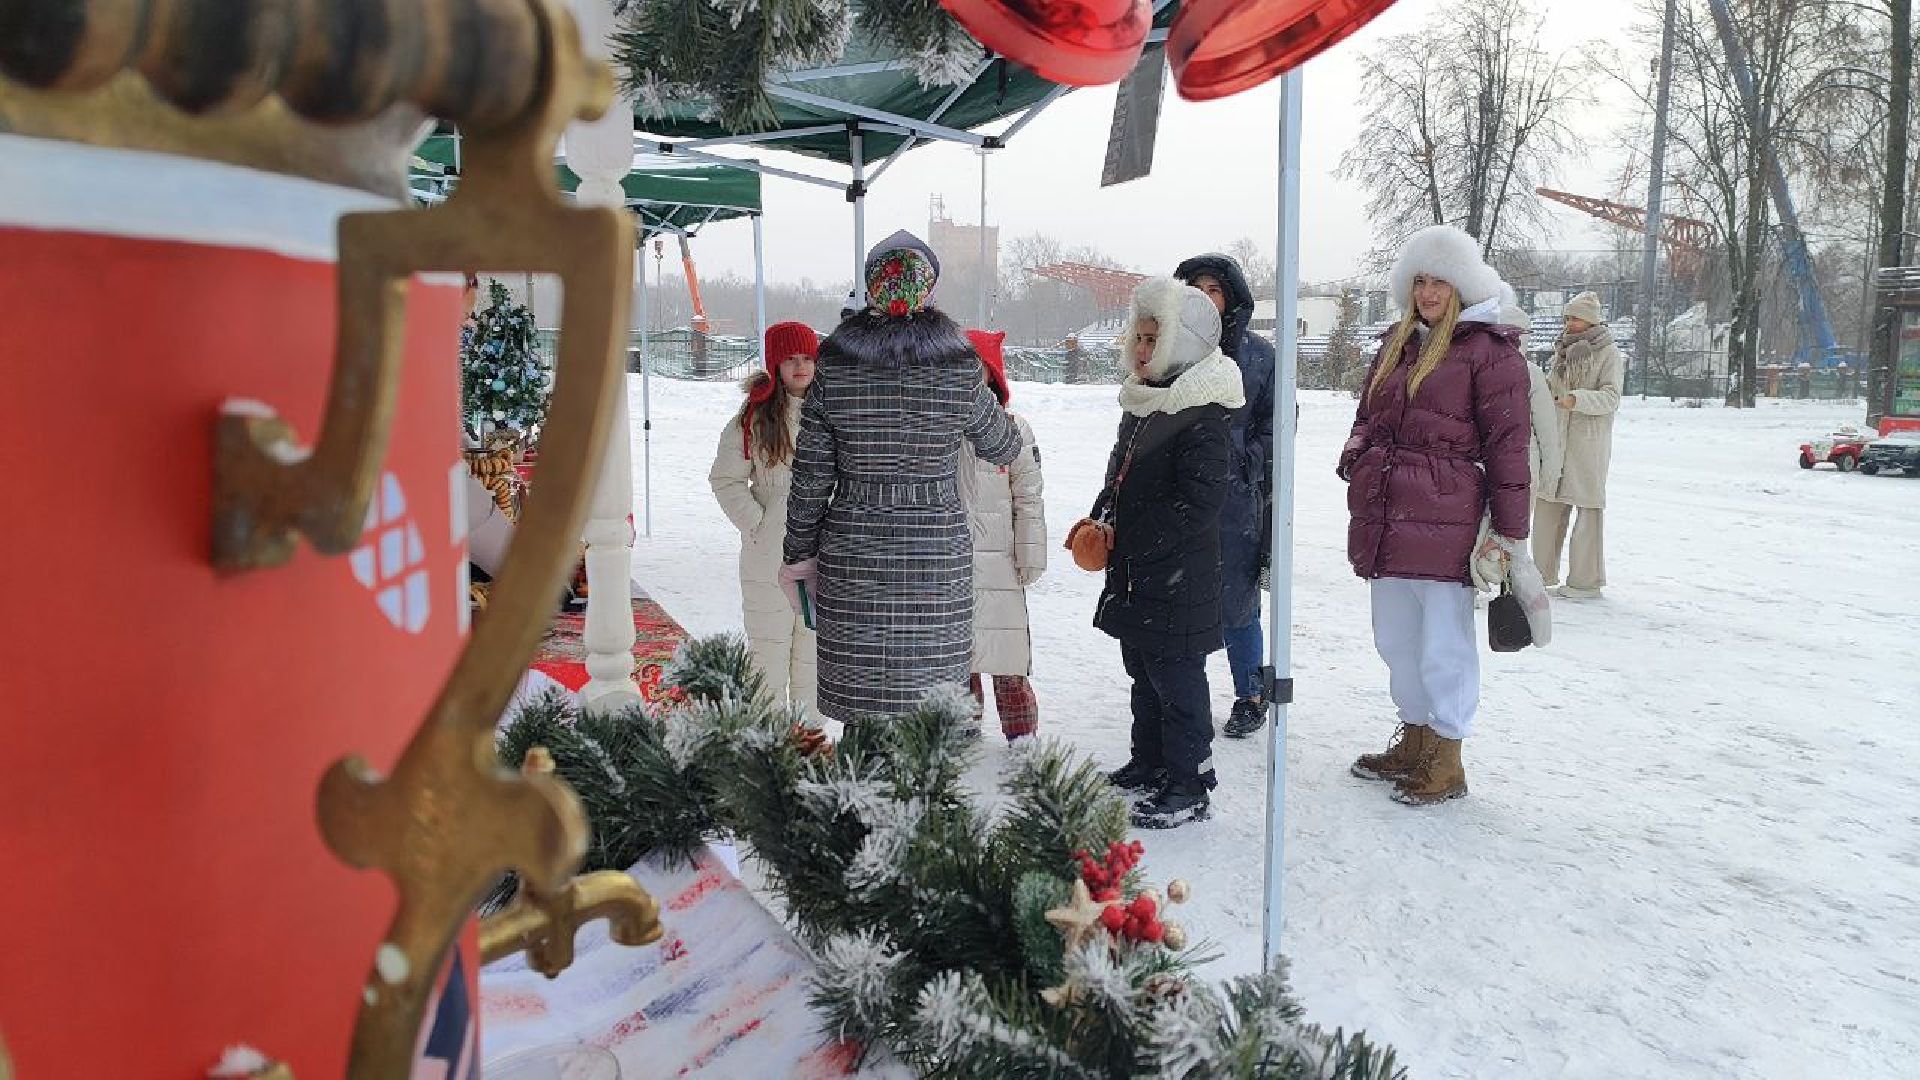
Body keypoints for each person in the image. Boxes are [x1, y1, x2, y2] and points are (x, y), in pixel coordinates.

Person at [780, 231, 1023, 726]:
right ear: (928, 291)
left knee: (864, 706)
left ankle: (859, 792)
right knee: (927, 714)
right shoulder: (958, 366)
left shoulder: (836, 366)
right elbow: (1003, 445)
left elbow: (810, 477)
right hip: (936, 552)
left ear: (871, 290)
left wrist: (797, 552)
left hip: (855, 548)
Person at [1338, 224, 1532, 806]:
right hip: (1386, 515)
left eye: (1439, 282)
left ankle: (1446, 756)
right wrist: (1357, 458)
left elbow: (1509, 447)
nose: (1427, 293)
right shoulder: (1398, 341)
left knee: (1443, 643)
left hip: (1448, 520)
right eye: (1419, 281)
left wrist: (1509, 530)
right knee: (1395, 638)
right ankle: (1415, 737)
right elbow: (1367, 415)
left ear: (1462, 284)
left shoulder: (1489, 352)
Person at [1072, 277, 1241, 829]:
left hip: (1177, 577)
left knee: (1178, 683)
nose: (1142, 350)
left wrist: (1133, 538)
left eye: (1154, 340)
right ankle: (1149, 763)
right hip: (1139, 575)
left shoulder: (1202, 412)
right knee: (1142, 671)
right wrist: (1101, 517)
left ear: (1181, 344)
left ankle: (1189, 782)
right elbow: (1118, 478)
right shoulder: (1143, 402)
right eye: (1138, 338)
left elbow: (1200, 501)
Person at [1172, 254, 1274, 739]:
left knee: (1238, 601)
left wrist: (1242, 465)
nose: (1206, 298)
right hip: (1178, 496)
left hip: (1236, 502)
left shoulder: (1258, 357)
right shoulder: (1172, 351)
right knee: (1177, 597)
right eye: (1196, 289)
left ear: (1230, 296)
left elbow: (1274, 428)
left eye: (1214, 289)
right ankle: (1183, 698)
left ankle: (1251, 693)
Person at [708, 321, 821, 714]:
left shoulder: (831, 412)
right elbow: (725, 479)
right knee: (767, 654)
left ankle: (810, 740)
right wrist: (759, 522)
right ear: (776, 364)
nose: (801, 366)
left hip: (821, 555)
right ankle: (768, 743)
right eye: (791, 359)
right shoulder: (754, 419)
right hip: (767, 559)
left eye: (808, 357)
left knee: (813, 658)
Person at [959, 329, 1047, 744]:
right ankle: (961, 729)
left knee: (1007, 656)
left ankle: (1021, 732)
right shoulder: (938, 429)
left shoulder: (1013, 429)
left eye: (974, 369)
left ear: (992, 376)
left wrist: (1030, 551)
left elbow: (1028, 496)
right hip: (951, 563)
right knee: (959, 657)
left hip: (1001, 564)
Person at [1533, 290, 1622, 600]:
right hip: (1557, 438)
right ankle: (1540, 574)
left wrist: (1577, 399)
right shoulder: (1561, 351)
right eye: (1567, 317)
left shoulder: (1609, 353)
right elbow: (1550, 386)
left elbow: (1612, 397)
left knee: (1588, 510)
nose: (1569, 323)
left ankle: (1586, 582)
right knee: (1547, 505)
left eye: (1575, 318)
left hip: (1587, 442)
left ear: (1591, 321)